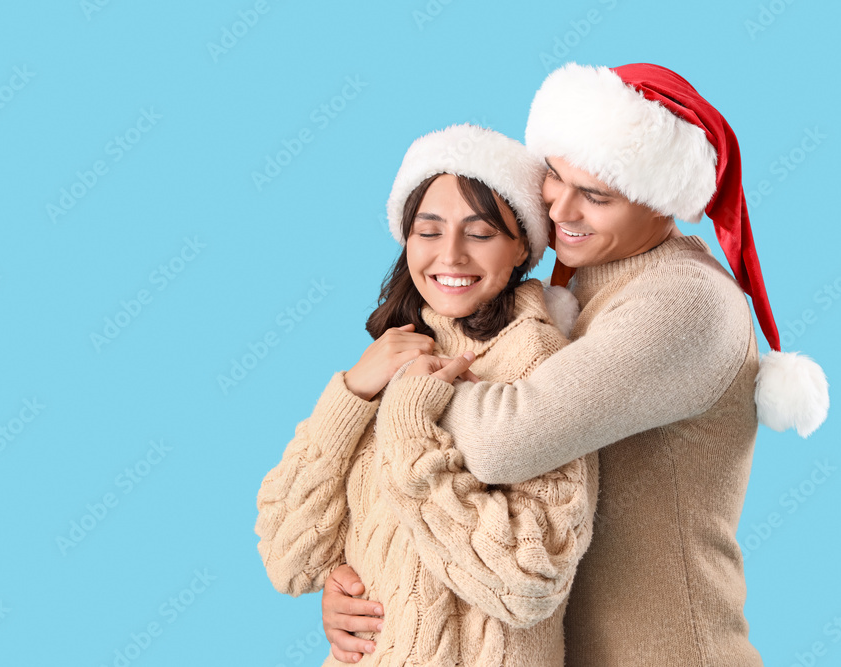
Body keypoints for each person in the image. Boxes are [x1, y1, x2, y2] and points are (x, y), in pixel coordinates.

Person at [321, 63, 829, 665]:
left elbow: (502, 441)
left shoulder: (686, 304)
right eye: (555, 178)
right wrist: (362, 580)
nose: (562, 208)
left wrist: (402, 382)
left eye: (596, 195)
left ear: (661, 198)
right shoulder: (574, 287)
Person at [255, 124, 598, 666]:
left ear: (521, 247)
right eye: (429, 230)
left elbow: (531, 580)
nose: (452, 255)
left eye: (480, 233)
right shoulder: (391, 356)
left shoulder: (539, 364)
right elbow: (289, 558)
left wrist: (409, 423)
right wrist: (351, 394)